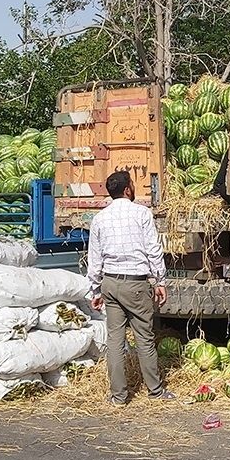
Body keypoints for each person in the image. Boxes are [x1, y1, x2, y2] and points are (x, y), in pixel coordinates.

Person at [88, 170, 174, 405]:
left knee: (115, 339)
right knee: (144, 338)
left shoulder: (99, 218)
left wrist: (95, 290)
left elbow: (94, 258)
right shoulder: (142, 214)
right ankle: (155, 391)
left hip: (110, 283)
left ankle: (118, 396)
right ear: (127, 189)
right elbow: (153, 250)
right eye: (133, 184)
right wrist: (160, 281)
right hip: (136, 284)